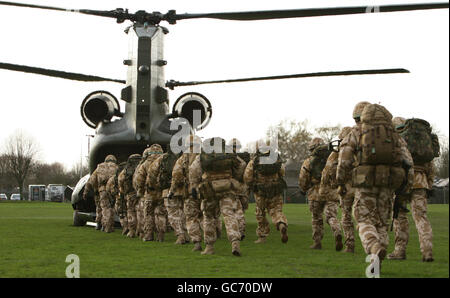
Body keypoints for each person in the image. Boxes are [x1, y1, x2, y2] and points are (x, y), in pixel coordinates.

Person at [336, 103, 414, 269]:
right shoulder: (394, 134)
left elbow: (344, 159)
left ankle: (373, 246)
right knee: (381, 223)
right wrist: (406, 188)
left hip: (365, 184)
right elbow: (408, 162)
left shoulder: (357, 132)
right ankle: (376, 262)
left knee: (363, 219)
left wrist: (341, 181)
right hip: (388, 184)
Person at [388, 117, 436, 262]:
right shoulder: (422, 143)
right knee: (421, 217)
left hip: (401, 184)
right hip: (420, 182)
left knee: (399, 218)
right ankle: (427, 251)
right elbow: (431, 167)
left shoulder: (396, 142)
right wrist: (429, 184)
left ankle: (399, 251)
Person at [190, 137, 246, 256]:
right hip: (227, 188)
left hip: (209, 190)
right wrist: (234, 177)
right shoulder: (229, 153)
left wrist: (194, 187)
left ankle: (209, 247)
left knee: (209, 217)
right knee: (229, 214)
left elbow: (194, 171)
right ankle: (235, 242)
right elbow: (242, 165)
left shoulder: (203, 155)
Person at [300, 138, 341, 250]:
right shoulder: (333, 158)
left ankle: (317, 243)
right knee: (331, 215)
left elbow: (303, 177)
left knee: (316, 218)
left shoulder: (309, 161)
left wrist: (303, 189)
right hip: (331, 191)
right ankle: (336, 230)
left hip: (315, 193)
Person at [244, 142, 288, 244]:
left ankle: (262, 237)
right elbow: (282, 172)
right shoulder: (276, 159)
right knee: (276, 211)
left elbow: (247, 177)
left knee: (260, 213)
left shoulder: (254, 161)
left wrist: (252, 185)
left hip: (261, 192)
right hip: (275, 190)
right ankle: (281, 224)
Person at [170, 135, 203, 251]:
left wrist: (172, 191)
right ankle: (211, 240)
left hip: (190, 192)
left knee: (191, 217)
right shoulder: (205, 154)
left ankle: (197, 242)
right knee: (206, 216)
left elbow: (177, 176)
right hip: (206, 191)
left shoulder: (184, 157)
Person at [148, 148, 183, 243]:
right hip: (183, 189)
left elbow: (152, 173)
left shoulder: (163, 158)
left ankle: (180, 235)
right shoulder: (184, 156)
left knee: (172, 214)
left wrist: (155, 186)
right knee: (183, 213)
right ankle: (187, 234)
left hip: (167, 190)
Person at [134, 144, 165, 241]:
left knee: (148, 214)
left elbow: (139, 179)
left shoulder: (145, 164)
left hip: (149, 193)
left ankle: (149, 235)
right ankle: (160, 235)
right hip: (161, 193)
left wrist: (140, 190)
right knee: (161, 214)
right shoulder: (164, 161)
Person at [83, 155, 118, 233]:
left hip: (102, 191)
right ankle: (109, 226)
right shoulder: (116, 167)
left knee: (104, 208)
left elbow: (91, 180)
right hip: (112, 190)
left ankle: (103, 225)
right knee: (111, 208)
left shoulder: (100, 167)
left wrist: (86, 191)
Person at [229, 138, 250, 240]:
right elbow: (244, 177)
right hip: (240, 189)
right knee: (240, 211)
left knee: (231, 212)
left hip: (229, 188)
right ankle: (240, 230)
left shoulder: (225, 160)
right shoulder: (242, 162)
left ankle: (235, 231)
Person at [118, 154, 142, 238]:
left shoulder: (125, 171)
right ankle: (140, 231)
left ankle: (132, 231)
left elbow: (120, 181)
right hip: (140, 193)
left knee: (131, 212)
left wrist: (123, 192)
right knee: (140, 211)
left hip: (130, 194)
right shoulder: (141, 168)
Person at [106, 162, 127, 235]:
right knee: (131, 212)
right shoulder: (128, 175)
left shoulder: (114, 178)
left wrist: (112, 197)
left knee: (121, 213)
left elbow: (108, 189)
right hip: (129, 196)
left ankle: (125, 227)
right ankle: (134, 229)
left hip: (119, 197)